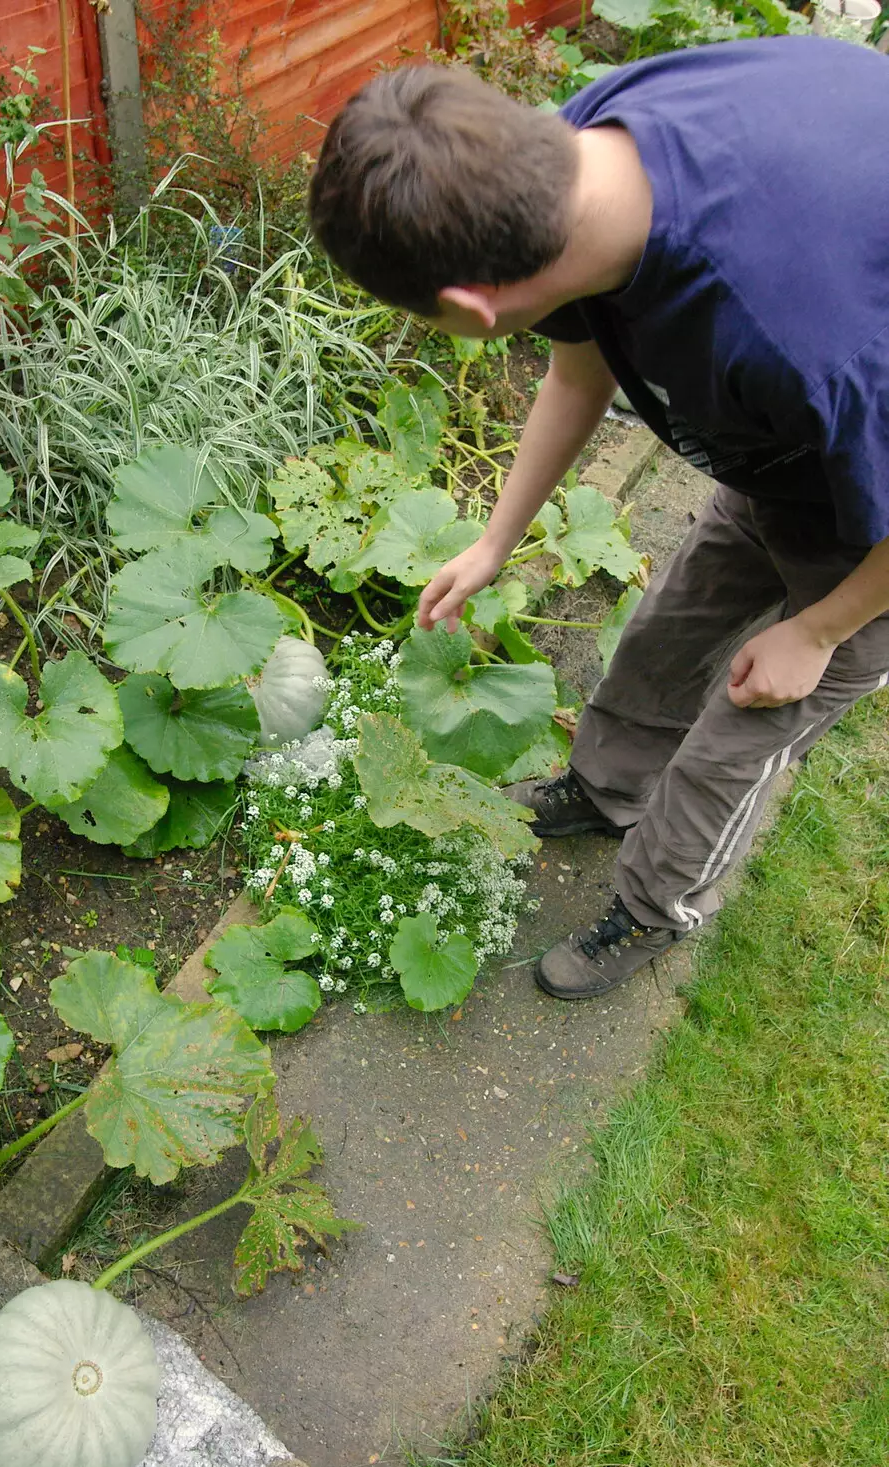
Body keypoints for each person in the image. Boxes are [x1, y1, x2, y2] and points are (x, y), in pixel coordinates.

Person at [307, 37, 889, 1000]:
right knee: (668, 631)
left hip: (865, 520)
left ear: (466, 303)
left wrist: (821, 631)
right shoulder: (577, 161)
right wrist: (496, 540)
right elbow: (582, 365)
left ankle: (659, 908)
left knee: (746, 725)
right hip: (779, 449)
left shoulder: (799, 343)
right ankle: (606, 787)